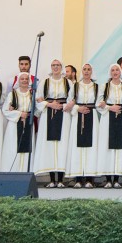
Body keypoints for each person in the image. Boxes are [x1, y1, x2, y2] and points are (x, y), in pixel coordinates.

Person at [34, 59, 72, 187]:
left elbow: (72, 98)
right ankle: (51, 179)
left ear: (61, 67)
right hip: (48, 116)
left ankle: (60, 179)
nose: (55, 67)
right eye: (53, 65)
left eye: (58, 65)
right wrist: (49, 104)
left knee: (62, 145)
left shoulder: (68, 82)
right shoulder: (44, 82)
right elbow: (38, 99)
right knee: (49, 146)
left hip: (63, 115)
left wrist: (63, 106)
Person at [65, 62, 100, 187]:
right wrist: (77, 108)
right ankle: (78, 178)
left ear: (92, 72)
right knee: (77, 147)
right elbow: (69, 102)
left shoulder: (96, 87)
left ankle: (90, 179)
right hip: (78, 116)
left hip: (92, 116)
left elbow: (99, 103)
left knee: (92, 147)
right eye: (84, 69)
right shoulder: (75, 86)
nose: (86, 71)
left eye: (88, 69)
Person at [96, 64, 122, 186]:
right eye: (113, 70)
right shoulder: (104, 87)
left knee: (120, 148)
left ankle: (116, 179)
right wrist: (110, 107)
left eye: (117, 70)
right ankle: (108, 178)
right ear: (110, 73)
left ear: (120, 72)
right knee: (107, 146)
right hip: (108, 118)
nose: (115, 72)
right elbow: (98, 103)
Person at [3, 71, 38, 173]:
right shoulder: (12, 94)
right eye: (22, 79)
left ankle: (25, 172)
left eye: (26, 79)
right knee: (13, 147)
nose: (24, 81)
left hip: (28, 124)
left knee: (27, 148)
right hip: (15, 125)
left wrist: (39, 102)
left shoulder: (32, 95)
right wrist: (19, 113)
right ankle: (14, 172)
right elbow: (5, 110)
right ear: (18, 81)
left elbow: (37, 111)